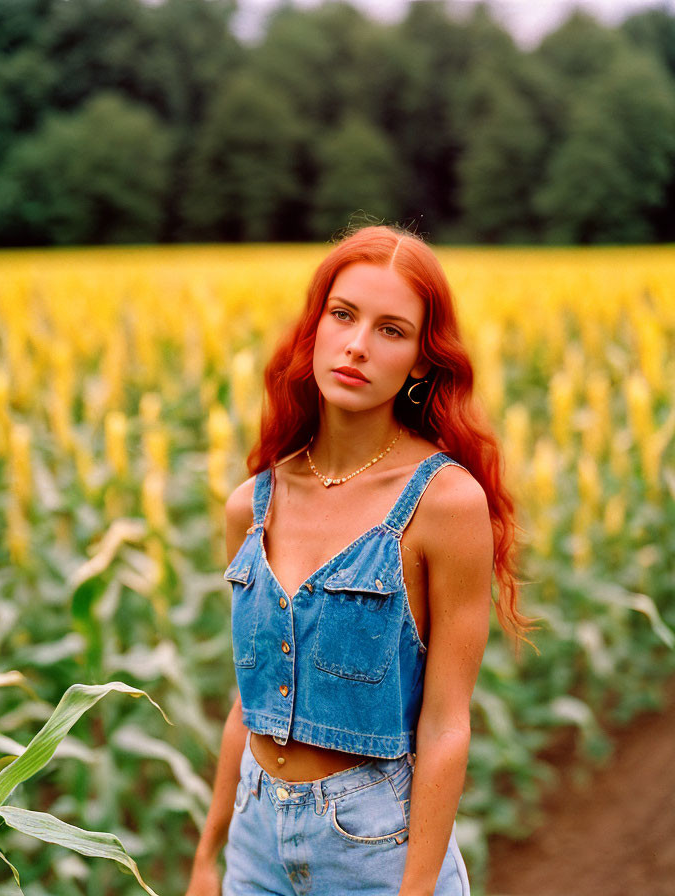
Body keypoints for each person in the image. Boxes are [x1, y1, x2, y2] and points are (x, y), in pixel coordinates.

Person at [185, 224, 532, 896]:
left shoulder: (444, 503)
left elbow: (444, 724)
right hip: (254, 848)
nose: (356, 345)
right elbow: (248, 704)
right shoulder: (252, 505)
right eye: (342, 315)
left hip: (376, 849)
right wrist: (209, 855)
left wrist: (416, 888)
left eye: (391, 330)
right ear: (314, 327)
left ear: (423, 363)